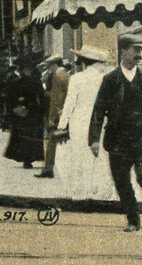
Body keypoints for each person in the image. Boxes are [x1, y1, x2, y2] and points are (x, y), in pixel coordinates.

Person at [89, 35, 142, 232]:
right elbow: (99, 110)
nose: (139, 54)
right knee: (122, 181)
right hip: (118, 140)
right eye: (135, 50)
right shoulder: (110, 79)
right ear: (123, 51)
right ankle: (133, 220)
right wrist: (94, 140)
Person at [53, 46, 114, 201]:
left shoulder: (77, 78)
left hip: (79, 121)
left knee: (80, 156)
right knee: (99, 155)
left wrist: (62, 125)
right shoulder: (105, 78)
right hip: (100, 121)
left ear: (85, 62)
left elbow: (69, 105)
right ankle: (100, 192)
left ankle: (81, 193)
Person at [3, 60, 45, 169]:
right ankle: (27, 158)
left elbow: (41, 97)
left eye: (29, 70)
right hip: (25, 112)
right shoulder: (19, 82)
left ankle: (29, 158)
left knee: (29, 136)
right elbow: (10, 98)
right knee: (25, 136)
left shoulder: (34, 82)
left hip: (30, 112)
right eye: (26, 70)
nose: (28, 72)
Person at [36, 55, 69, 178]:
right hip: (65, 114)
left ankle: (48, 169)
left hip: (58, 116)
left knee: (51, 142)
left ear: (55, 65)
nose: (49, 70)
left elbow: (57, 100)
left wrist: (52, 118)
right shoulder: (65, 75)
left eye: (49, 67)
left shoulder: (58, 77)